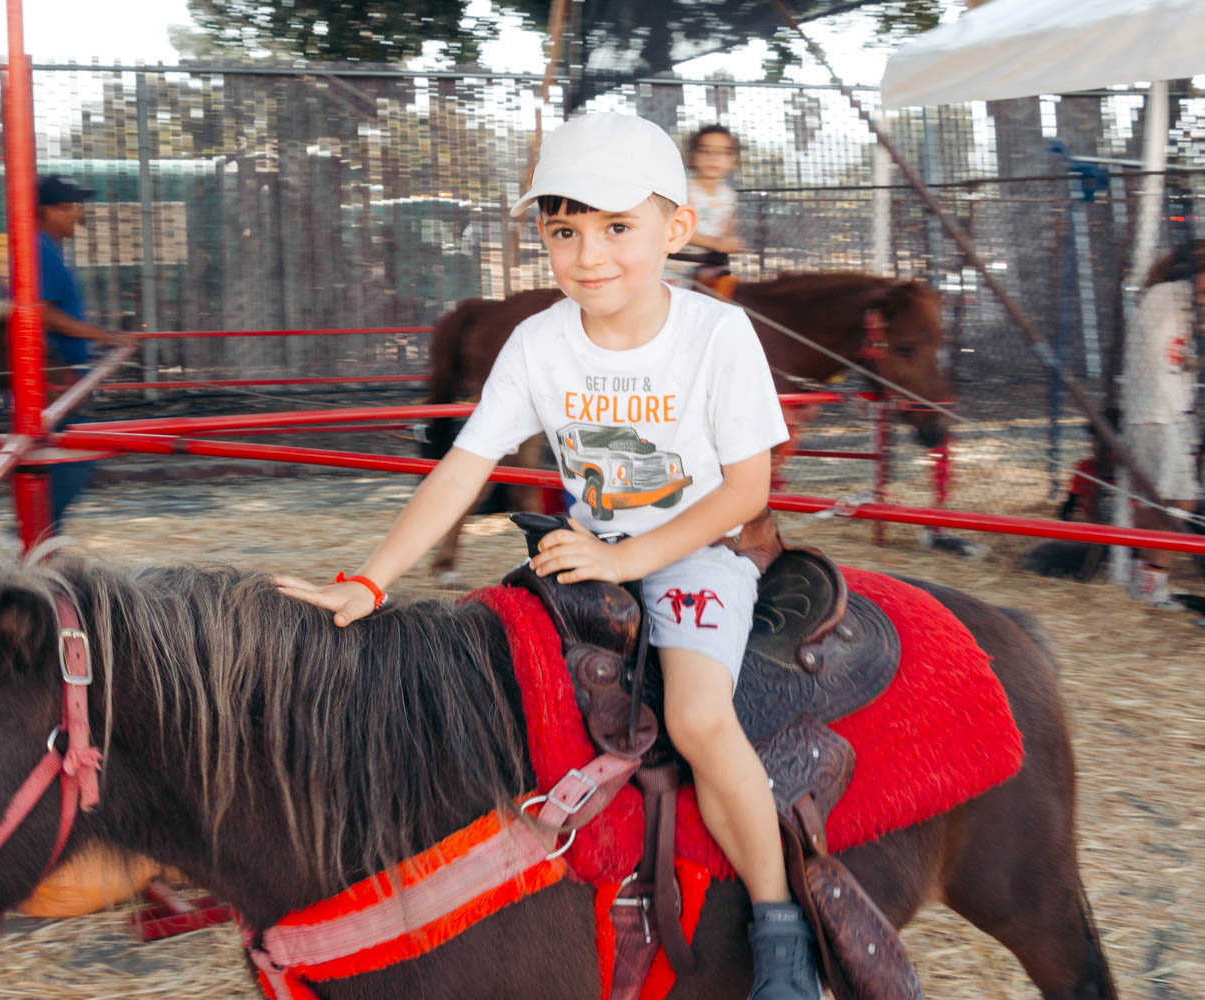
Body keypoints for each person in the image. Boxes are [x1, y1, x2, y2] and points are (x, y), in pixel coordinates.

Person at [276, 113, 817, 1000]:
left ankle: (780, 927)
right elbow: (462, 469)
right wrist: (373, 580)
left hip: (695, 553)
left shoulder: (716, 337)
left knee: (699, 717)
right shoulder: (539, 343)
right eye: (564, 231)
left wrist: (629, 556)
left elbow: (745, 493)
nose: (588, 254)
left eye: (616, 227)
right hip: (587, 551)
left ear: (677, 230)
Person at [32, 175, 131, 535]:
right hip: (55, 380)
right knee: (69, 458)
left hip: (61, 376)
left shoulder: (48, 248)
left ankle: (40, 534)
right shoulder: (38, 248)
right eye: (70, 207)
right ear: (47, 211)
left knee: (65, 460)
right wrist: (105, 335)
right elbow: (40, 312)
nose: (78, 215)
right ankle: (34, 533)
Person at [1122, 241, 1202, 606]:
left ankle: (1143, 579)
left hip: (1166, 411)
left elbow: (1171, 351)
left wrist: (1189, 361)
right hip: (1156, 413)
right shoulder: (1169, 295)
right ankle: (1154, 582)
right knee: (1180, 499)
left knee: (1159, 502)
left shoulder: (1176, 301)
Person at [666, 125, 745, 291]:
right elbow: (674, 229)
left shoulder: (729, 196)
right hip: (678, 265)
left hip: (708, 266)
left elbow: (726, 231)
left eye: (723, 152)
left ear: (733, 160)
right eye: (705, 151)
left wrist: (729, 242)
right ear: (693, 157)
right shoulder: (686, 189)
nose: (714, 158)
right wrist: (715, 242)